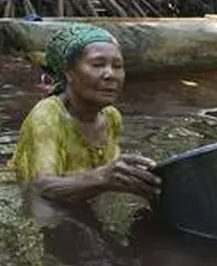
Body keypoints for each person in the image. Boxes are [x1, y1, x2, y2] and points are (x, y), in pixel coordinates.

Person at [10, 24, 160, 202]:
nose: (110, 74)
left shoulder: (111, 117)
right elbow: (41, 186)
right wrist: (102, 178)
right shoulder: (47, 116)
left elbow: (110, 178)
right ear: (69, 72)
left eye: (118, 66)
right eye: (97, 65)